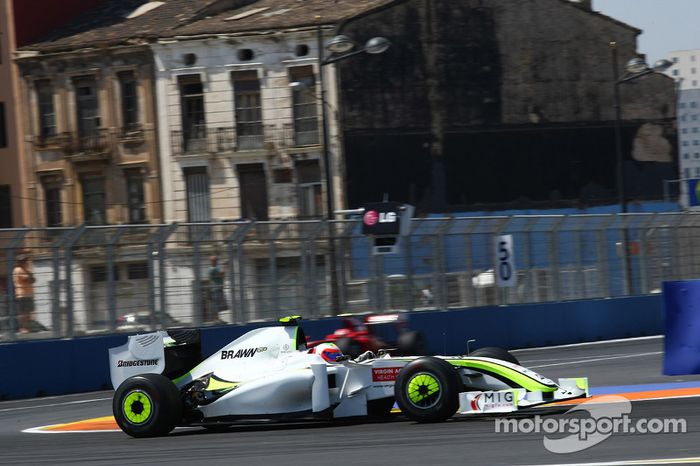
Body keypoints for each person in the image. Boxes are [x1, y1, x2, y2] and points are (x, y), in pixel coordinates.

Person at [13, 255, 36, 334]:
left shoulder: (26, 270)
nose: (26, 262)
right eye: (24, 261)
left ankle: (26, 327)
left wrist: (30, 276)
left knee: (28, 312)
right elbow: (28, 279)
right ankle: (23, 328)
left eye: (26, 261)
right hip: (22, 294)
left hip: (28, 294)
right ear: (20, 262)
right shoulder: (18, 270)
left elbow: (33, 280)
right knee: (23, 312)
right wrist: (30, 276)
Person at [207, 255, 227, 321]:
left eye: (216, 260)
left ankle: (218, 319)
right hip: (216, 289)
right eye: (214, 260)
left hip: (217, 289)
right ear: (211, 261)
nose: (215, 262)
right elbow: (222, 274)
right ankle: (217, 319)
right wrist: (224, 265)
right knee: (218, 305)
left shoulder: (214, 268)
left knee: (218, 305)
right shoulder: (213, 269)